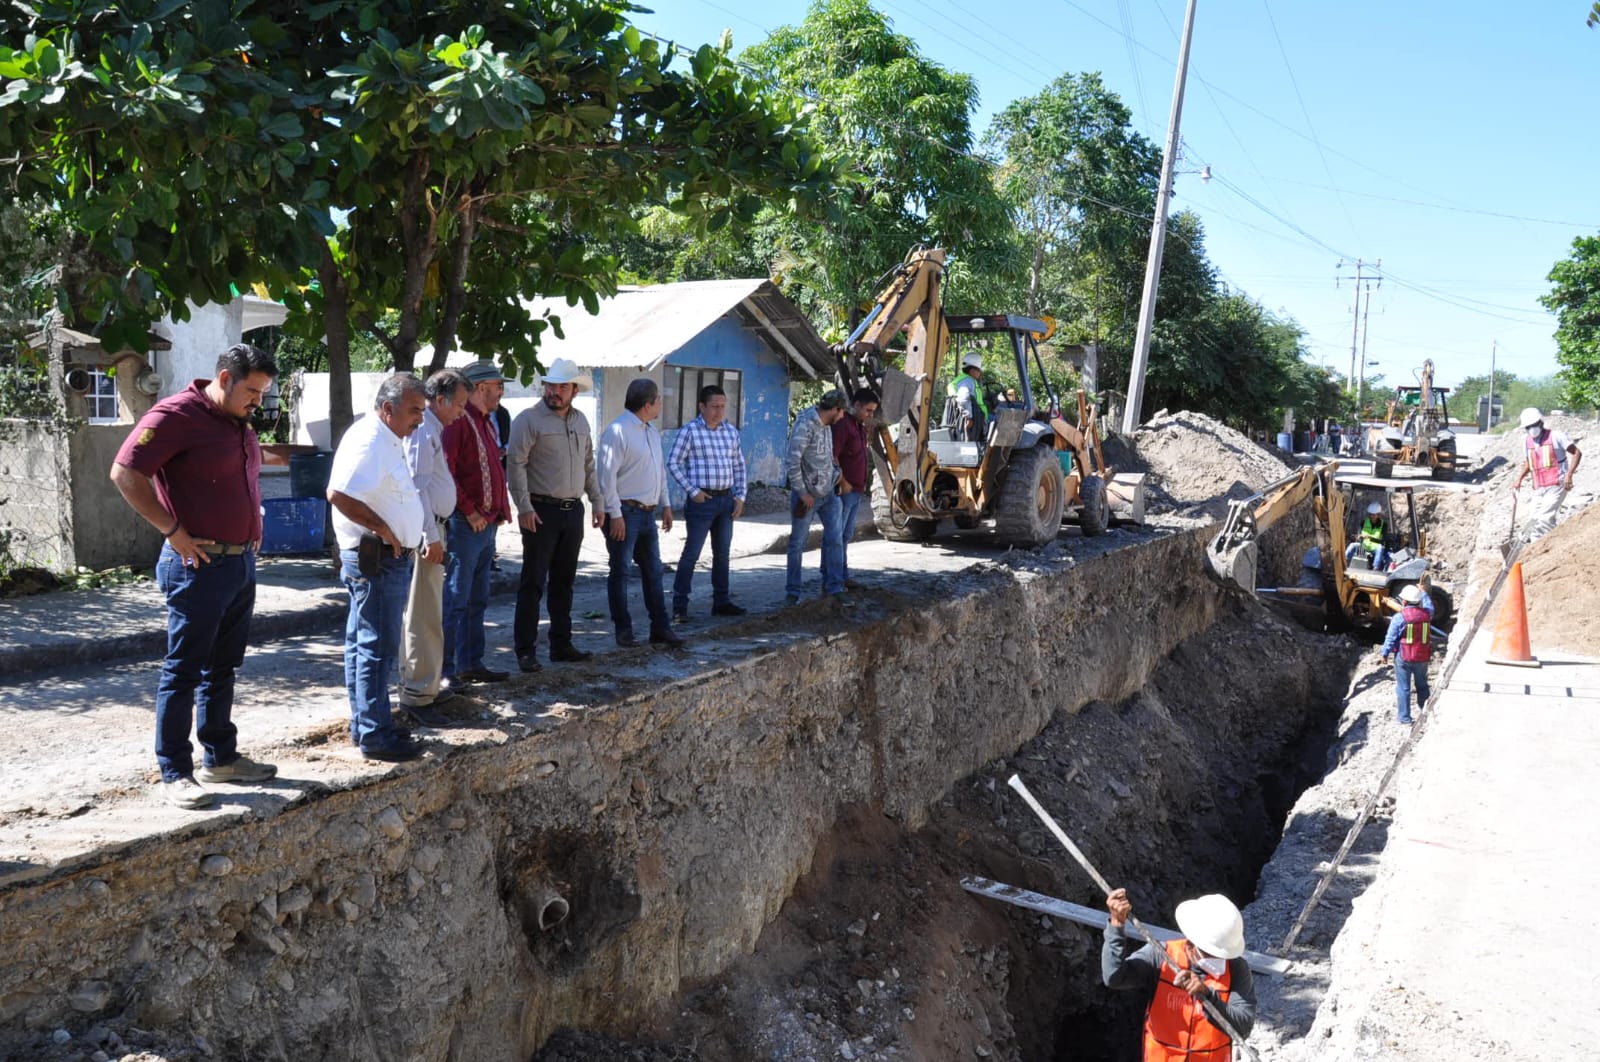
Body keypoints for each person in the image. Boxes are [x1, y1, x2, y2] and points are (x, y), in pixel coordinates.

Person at [110, 343, 284, 808]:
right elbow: (125, 473)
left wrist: (254, 527)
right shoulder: (176, 415)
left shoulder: (238, 423)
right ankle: (174, 771)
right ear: (224, 378)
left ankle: (221, 758)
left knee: (223, 667)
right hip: (197, 567)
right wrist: (172, 531)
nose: (257, 402)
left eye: (262, 393)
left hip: (239, 562)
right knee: (184, 670)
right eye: (251, 391)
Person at [326, 374, 430, 762]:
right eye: (414, 411)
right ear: (389, 409)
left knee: (364, 646)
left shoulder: (385, 438)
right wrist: (384, 528)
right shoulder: (371, 439)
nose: (419, 419)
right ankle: (375, 734)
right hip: (378, 560)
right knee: (376, 649)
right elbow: (337, 493)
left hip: (381, 559)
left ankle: (368, 725)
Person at [506, 358, 604, 672]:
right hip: (540, 510)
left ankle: (561, 644)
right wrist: (524, 507)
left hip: (572, 510)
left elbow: (589, 465)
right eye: (551, 385)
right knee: (532, 582)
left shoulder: (580, 421)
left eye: (563, 386)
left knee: (564, 582)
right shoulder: (528, 420)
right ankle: (525, 650)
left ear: (574, 390)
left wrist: (597, 502)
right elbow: (515, 465)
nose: (555, 392)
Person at [1103, 888, 1256, 1061]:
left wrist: (1207, 995)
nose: (1219, 961)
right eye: (1211, 954)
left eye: (1222, 956)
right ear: (1191, 944)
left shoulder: (1236, 969)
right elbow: (1114, 977)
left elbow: (1243, 1027)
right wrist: (1116, 925)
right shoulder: (1162, 956)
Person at [396, 368, 471, 726]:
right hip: (428, 533)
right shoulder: (423, 429)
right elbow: (417, 486)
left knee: (430, 611)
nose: (461, 411)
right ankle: (418, 694)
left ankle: (425, 686)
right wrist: (431, 536)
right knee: (422, 613)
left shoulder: (432, 429)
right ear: (439, 400)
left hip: (433, 528)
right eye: (458, 404)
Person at [597, 377, 684, 649]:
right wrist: (615, 514)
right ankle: (623, 631)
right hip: (624, 511)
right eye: (658, 399)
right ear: (648, 404)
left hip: (647, 514)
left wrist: (665, 504)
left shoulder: (651, 432)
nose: (661, 404)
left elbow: (658, 470)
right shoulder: (618, 431)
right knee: (620, 572)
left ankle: (660, 627)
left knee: (653, 572)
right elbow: (605, 478)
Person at [441, 361, 513, 685]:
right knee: (457, 598)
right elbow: (446, 471)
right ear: (482, 388)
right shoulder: (459, 421)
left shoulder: (486, 421)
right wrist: (469, 510)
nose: (501, 391)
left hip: (486, 525)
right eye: (499, 385)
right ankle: (446, 670)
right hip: (467, 524)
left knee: (477, 598)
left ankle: (471, 663)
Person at [668, 383, 748, 622]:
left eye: (722, 406)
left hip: (726, 500)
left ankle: (721, 601)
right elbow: (673, 463)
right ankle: (680, 606)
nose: (719, 411)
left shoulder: (730, 432)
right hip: (702, 501)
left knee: (722, 554)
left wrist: (740, 496)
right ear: (702, 406)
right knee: (691, 554)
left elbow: (739, 465)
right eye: (714, 406)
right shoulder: (690, 431)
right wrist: (692, 491)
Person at [784, 389, 850, 606]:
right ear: (834, 409)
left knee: (835, 540)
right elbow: (792, 462)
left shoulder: (827, 426)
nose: (842, 417)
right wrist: (803, 493)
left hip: (829, 494)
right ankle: (792, 592)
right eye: (841, 412)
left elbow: (826, 455)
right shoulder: (805, 424)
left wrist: (836, 472)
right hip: (808, 497)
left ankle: (835, 587)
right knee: (797, 543)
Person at [831, 388, 879, 592]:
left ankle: (842, 577)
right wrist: (842, 482)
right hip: (844, 491)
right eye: (868, 410)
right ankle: (833, 581)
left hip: (856, 491)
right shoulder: (843, 426)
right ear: (856, 405)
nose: (870, 415)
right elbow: (832, 457)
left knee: (845, 536)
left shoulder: (859, 427)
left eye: (872, 411)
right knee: (836, 537)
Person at [1511, 407, 1582, 541]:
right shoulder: (1527, 441)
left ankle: (1544, 549)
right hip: (1539, 486)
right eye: (1528, 427)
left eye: (1533, 425)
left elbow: (1577, 453)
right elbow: (1529, 462)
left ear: (1540, 422)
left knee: (1544, 518)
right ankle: (1533, 546)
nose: (1531, 429)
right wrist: (1519, 479)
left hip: (1557, 484)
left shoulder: (1556, 436)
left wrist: (1569, 475)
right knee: (1533, 519)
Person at [1380, 583, 1434, 725]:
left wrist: (1384, 653)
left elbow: (1390, 637)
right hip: (1422, 657)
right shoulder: (1427, 614)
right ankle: (1425, 712)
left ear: (1404, 601)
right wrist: (1423, 592)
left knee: (1403, 688)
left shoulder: (1400, 617)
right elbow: (1429, 605)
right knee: (1422, 685)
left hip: (1404, 657)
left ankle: (1405, 718)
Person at [947, 352, 988, 442]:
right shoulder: (968, 381)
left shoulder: (962, 379)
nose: (980, 374)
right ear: (972, 370)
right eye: (979, 371)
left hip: (974, 418)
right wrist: (968, 417)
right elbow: (963, 399)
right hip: (973, 420)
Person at [1345, 501, 1389, 570]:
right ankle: (1344, 564)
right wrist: (1358, 537)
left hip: (1375, 548)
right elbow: (1359, 535)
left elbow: (1383, 541)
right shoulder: (1364, 522)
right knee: (1352, 545)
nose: (1372, 516)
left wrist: (1370, 537)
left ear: (1378, 515)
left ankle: (1376, 568)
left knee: (1380, 548)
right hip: (1364, 547)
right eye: (1370, 514)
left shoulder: (1384, 525)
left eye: (1374, 515)